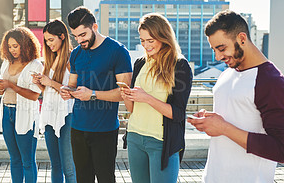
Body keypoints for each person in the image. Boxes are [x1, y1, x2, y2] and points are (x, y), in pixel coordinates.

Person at [187, 10, 284, 182]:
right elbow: (235, 116)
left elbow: (281, 149)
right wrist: (211, 121)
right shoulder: (227, 74)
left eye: (222, 48)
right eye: (214, 49)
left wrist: (223, 127)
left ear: (242, 38)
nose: (217, 56)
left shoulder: (271, 81)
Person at [60, 6, 132, 183]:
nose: (79, 40)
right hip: (77, 128)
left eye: (83, 35)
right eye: (75, 36)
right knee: (82, 179)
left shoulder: (118, 51)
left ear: (94, 27)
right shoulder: (76, 54)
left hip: (105, 130)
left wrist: (92, 94)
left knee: (106, 179)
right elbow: (73, 86)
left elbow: (125, 93)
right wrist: (67, 92)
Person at [120, 13, 192, 183]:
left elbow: (178, 114)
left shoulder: (180, 66)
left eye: (150, 40)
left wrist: (147, 98)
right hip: (135, 137)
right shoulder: (140, 63)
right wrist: (127, 96)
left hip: (161, 143)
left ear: (163, 37)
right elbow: (132, 109)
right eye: (142, 40)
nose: (145, 45)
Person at [0, 27, 43, 183]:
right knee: (14, 159)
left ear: (25, 44)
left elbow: (35, 95)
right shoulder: (6, 63)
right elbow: (1, 93)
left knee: (27, 160)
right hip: (7, 113)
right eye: (9, 46)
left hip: (25, 115)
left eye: (16, 46)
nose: (12, 50)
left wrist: (12, 85)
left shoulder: (35, 65)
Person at [31, 19, 77, 183]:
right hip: (49, 115)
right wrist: (41, 84)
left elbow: (74, 91)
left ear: (62, 36)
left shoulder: (72, 59)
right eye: (46, 41)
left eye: (51, 40)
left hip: (66, 115)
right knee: (55, 165)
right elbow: (50, 91)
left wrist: (50, 82)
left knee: (68, 166)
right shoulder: (50, 60)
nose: (48, 44)